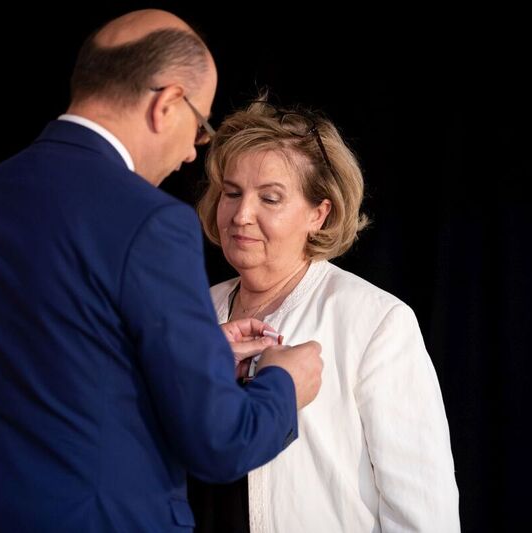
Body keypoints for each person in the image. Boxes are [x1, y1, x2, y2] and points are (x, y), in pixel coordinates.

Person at [0, 11, 324, 533]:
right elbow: (221, 443)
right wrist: (284, 383)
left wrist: (200, 354)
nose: (188, 154)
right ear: (167, 103)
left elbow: (44, 367)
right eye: (200, 129)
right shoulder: (150, 221)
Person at [190, 98, 460, 532]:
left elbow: (422, 509)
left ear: (319, 213)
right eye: (232, 193)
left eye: (270, 198)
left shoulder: (376, 321)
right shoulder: (192, 310)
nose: (241, 215)